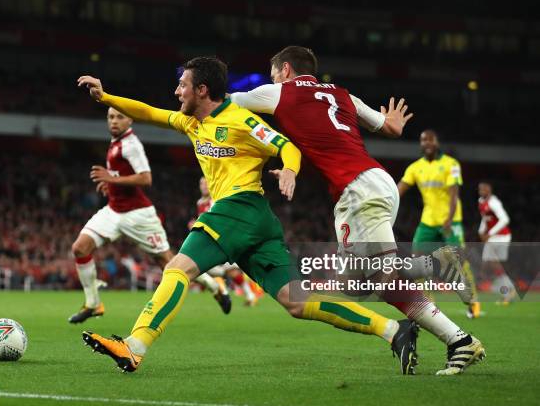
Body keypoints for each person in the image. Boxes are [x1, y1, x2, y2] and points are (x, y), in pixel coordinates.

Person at [77, 56, 419, 375]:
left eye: (183, 85)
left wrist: (289, 170)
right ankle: (393, 330)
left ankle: (134, 346)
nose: (176, 91)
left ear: (202, 90)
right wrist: (106, 96)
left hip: (237, 208)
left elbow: (287, 146)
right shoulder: (191, 122)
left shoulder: (240, 120)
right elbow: (148, 112)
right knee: (295, 301)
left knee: (177, 268)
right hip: (254, 221)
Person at [230, 46, 485, 375]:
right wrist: (391, 122)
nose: (272, 78)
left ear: (287, 70)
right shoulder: (342, 94)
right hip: (376, 181)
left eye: (274, 72)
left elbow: (227, 103)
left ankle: (457, 334)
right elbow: (390, 128)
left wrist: (193, 99)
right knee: (352, 286)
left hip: (357, 191)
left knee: (387, 282)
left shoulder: (280, 91)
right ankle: (436, 272)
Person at [68, 107, 231, 324]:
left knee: (170, 264)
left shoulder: (131, 144)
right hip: (114, 210)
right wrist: (111, 186)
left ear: (130, 120)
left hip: (139, 215)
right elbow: (122, 175)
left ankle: (214, 286)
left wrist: (112, 179)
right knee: (80, 247)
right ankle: (93, 303)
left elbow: (146, 178)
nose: (114, 121)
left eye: (120, 117)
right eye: (111, 117)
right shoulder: (115, 142)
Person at [398, 129, 481, 318]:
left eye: (430, 139)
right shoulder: (415, 167)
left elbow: (454, 194)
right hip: (428, 221)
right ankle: (427, 302)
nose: (426, 143)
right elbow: (399, 189)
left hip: (450, 221)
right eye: (423, 140)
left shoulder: (451, 164)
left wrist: (449, 220)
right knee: (417, 259)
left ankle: (472, 300)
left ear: (437, 142)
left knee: (459, 259)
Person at [190, 176, 261, 306]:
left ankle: (250, 294)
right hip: (211, 242)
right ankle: (244, 293)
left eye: (207, 183)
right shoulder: (200, 203)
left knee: (230, 271)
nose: (204, 186)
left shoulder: (217, 199)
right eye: (202, 183)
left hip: (225, 239)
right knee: (217, 270)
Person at [478, 181, 514, 304]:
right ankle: (507, 289)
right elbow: (485, 218)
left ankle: (508, 291)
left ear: (489, 191)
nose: (482, 191)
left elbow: (505, 219)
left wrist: (490, 233)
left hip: (502, 236)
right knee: (489, 264)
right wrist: (481, 230)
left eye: (484, 189)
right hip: (493, 237)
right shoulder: (481, 202)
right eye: (480, 189)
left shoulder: (494, 202)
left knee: (493, 263)